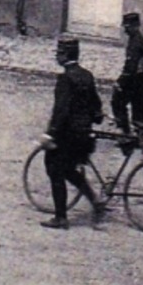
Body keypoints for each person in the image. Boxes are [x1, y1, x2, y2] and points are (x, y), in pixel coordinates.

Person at [42, 33, 105, 229]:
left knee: (54, 169)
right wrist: (96, 117)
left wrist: (50, 133)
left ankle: (61, 217)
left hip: (67, 137)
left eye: (58, 52)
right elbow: (96, 105)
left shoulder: (65, 79)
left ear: (63, 55)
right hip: (85, 136)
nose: (56, 56)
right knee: (69, 170)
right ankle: (95, 200)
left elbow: (61, 111)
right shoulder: (87, 75)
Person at [111, 11, 143, 135]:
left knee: (118, 101)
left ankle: (123, 130)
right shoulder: (140, 40)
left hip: (135, 79)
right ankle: (139, 128)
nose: (125, 30)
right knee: (138, 103)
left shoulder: (135, 43)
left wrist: (120, 82)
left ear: (135, 26)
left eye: (127, 27)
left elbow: (131, 66)